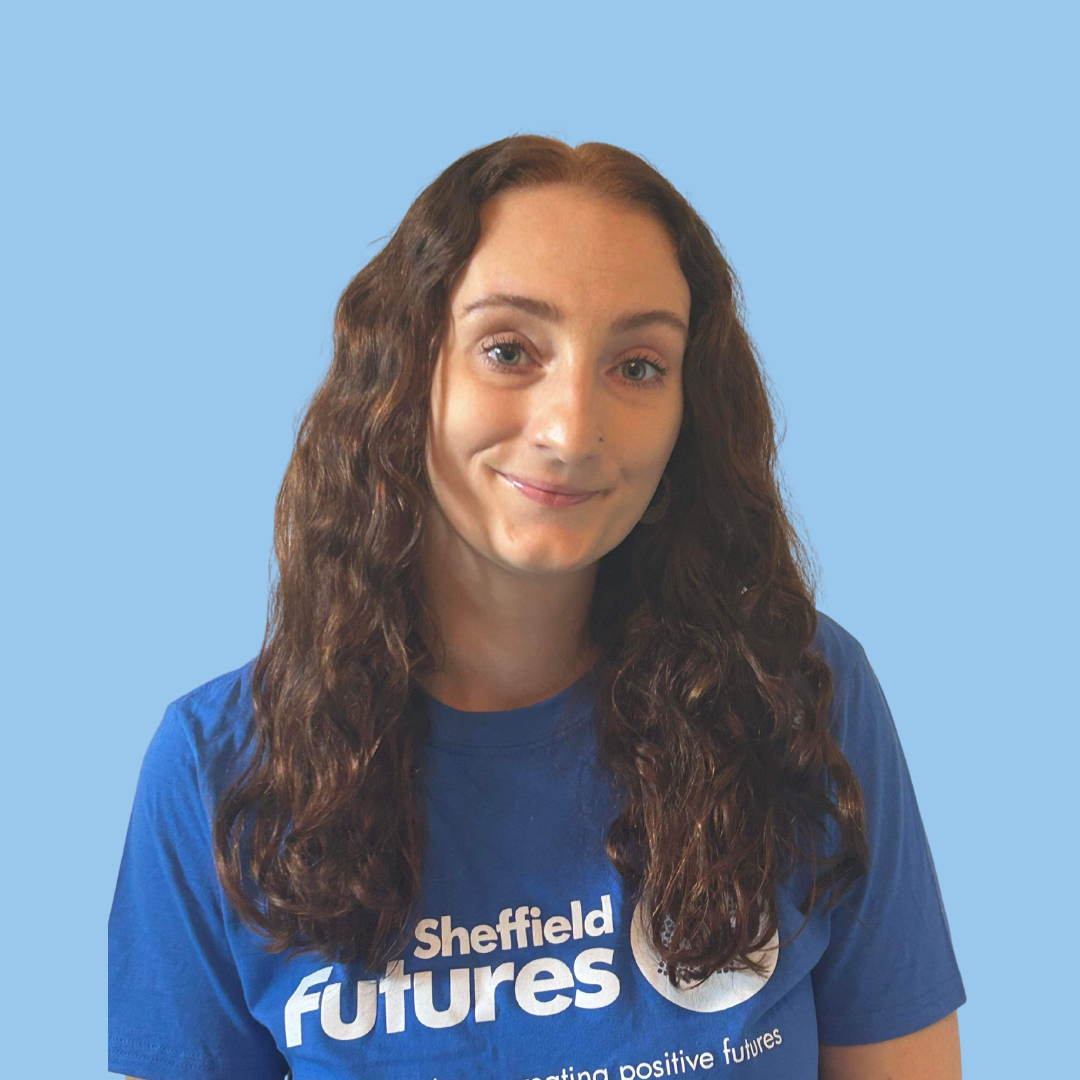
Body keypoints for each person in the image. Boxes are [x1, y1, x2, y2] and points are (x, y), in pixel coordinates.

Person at [108, 136, 965, 1080]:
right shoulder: (216, 772)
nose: (569, 431)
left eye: (638, 366)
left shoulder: (802, 697)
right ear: (403, 373)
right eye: (509, 350)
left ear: (691, 409)